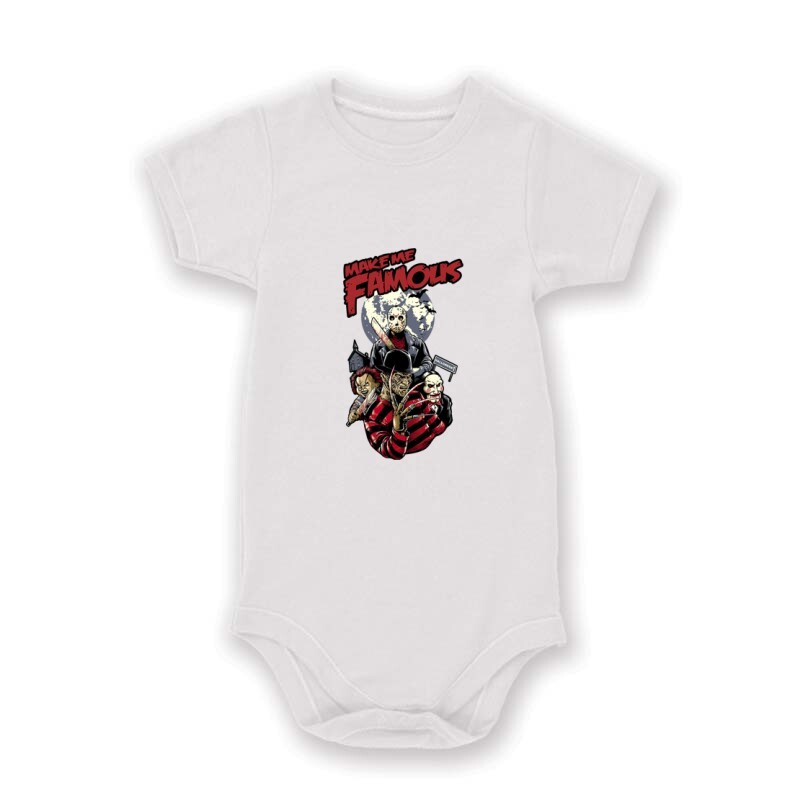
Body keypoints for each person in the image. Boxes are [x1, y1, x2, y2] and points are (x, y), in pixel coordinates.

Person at [363, 351, 446, 459]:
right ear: (384, 377)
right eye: (399, 377)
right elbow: (391, 453)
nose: (406, 383)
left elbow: (438, 427)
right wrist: (399, 430)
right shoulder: (372, 416)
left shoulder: (415, 395)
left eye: (408, 377)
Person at [369, 306, 433, 381]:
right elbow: (372, 368)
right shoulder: (378, 346)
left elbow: (428, 363)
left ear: (405, 320)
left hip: (410, 384)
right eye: (392, 318)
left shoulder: (418, 344)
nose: (396, 323)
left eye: (400, 318)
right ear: (388, 321)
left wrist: (416, 371)